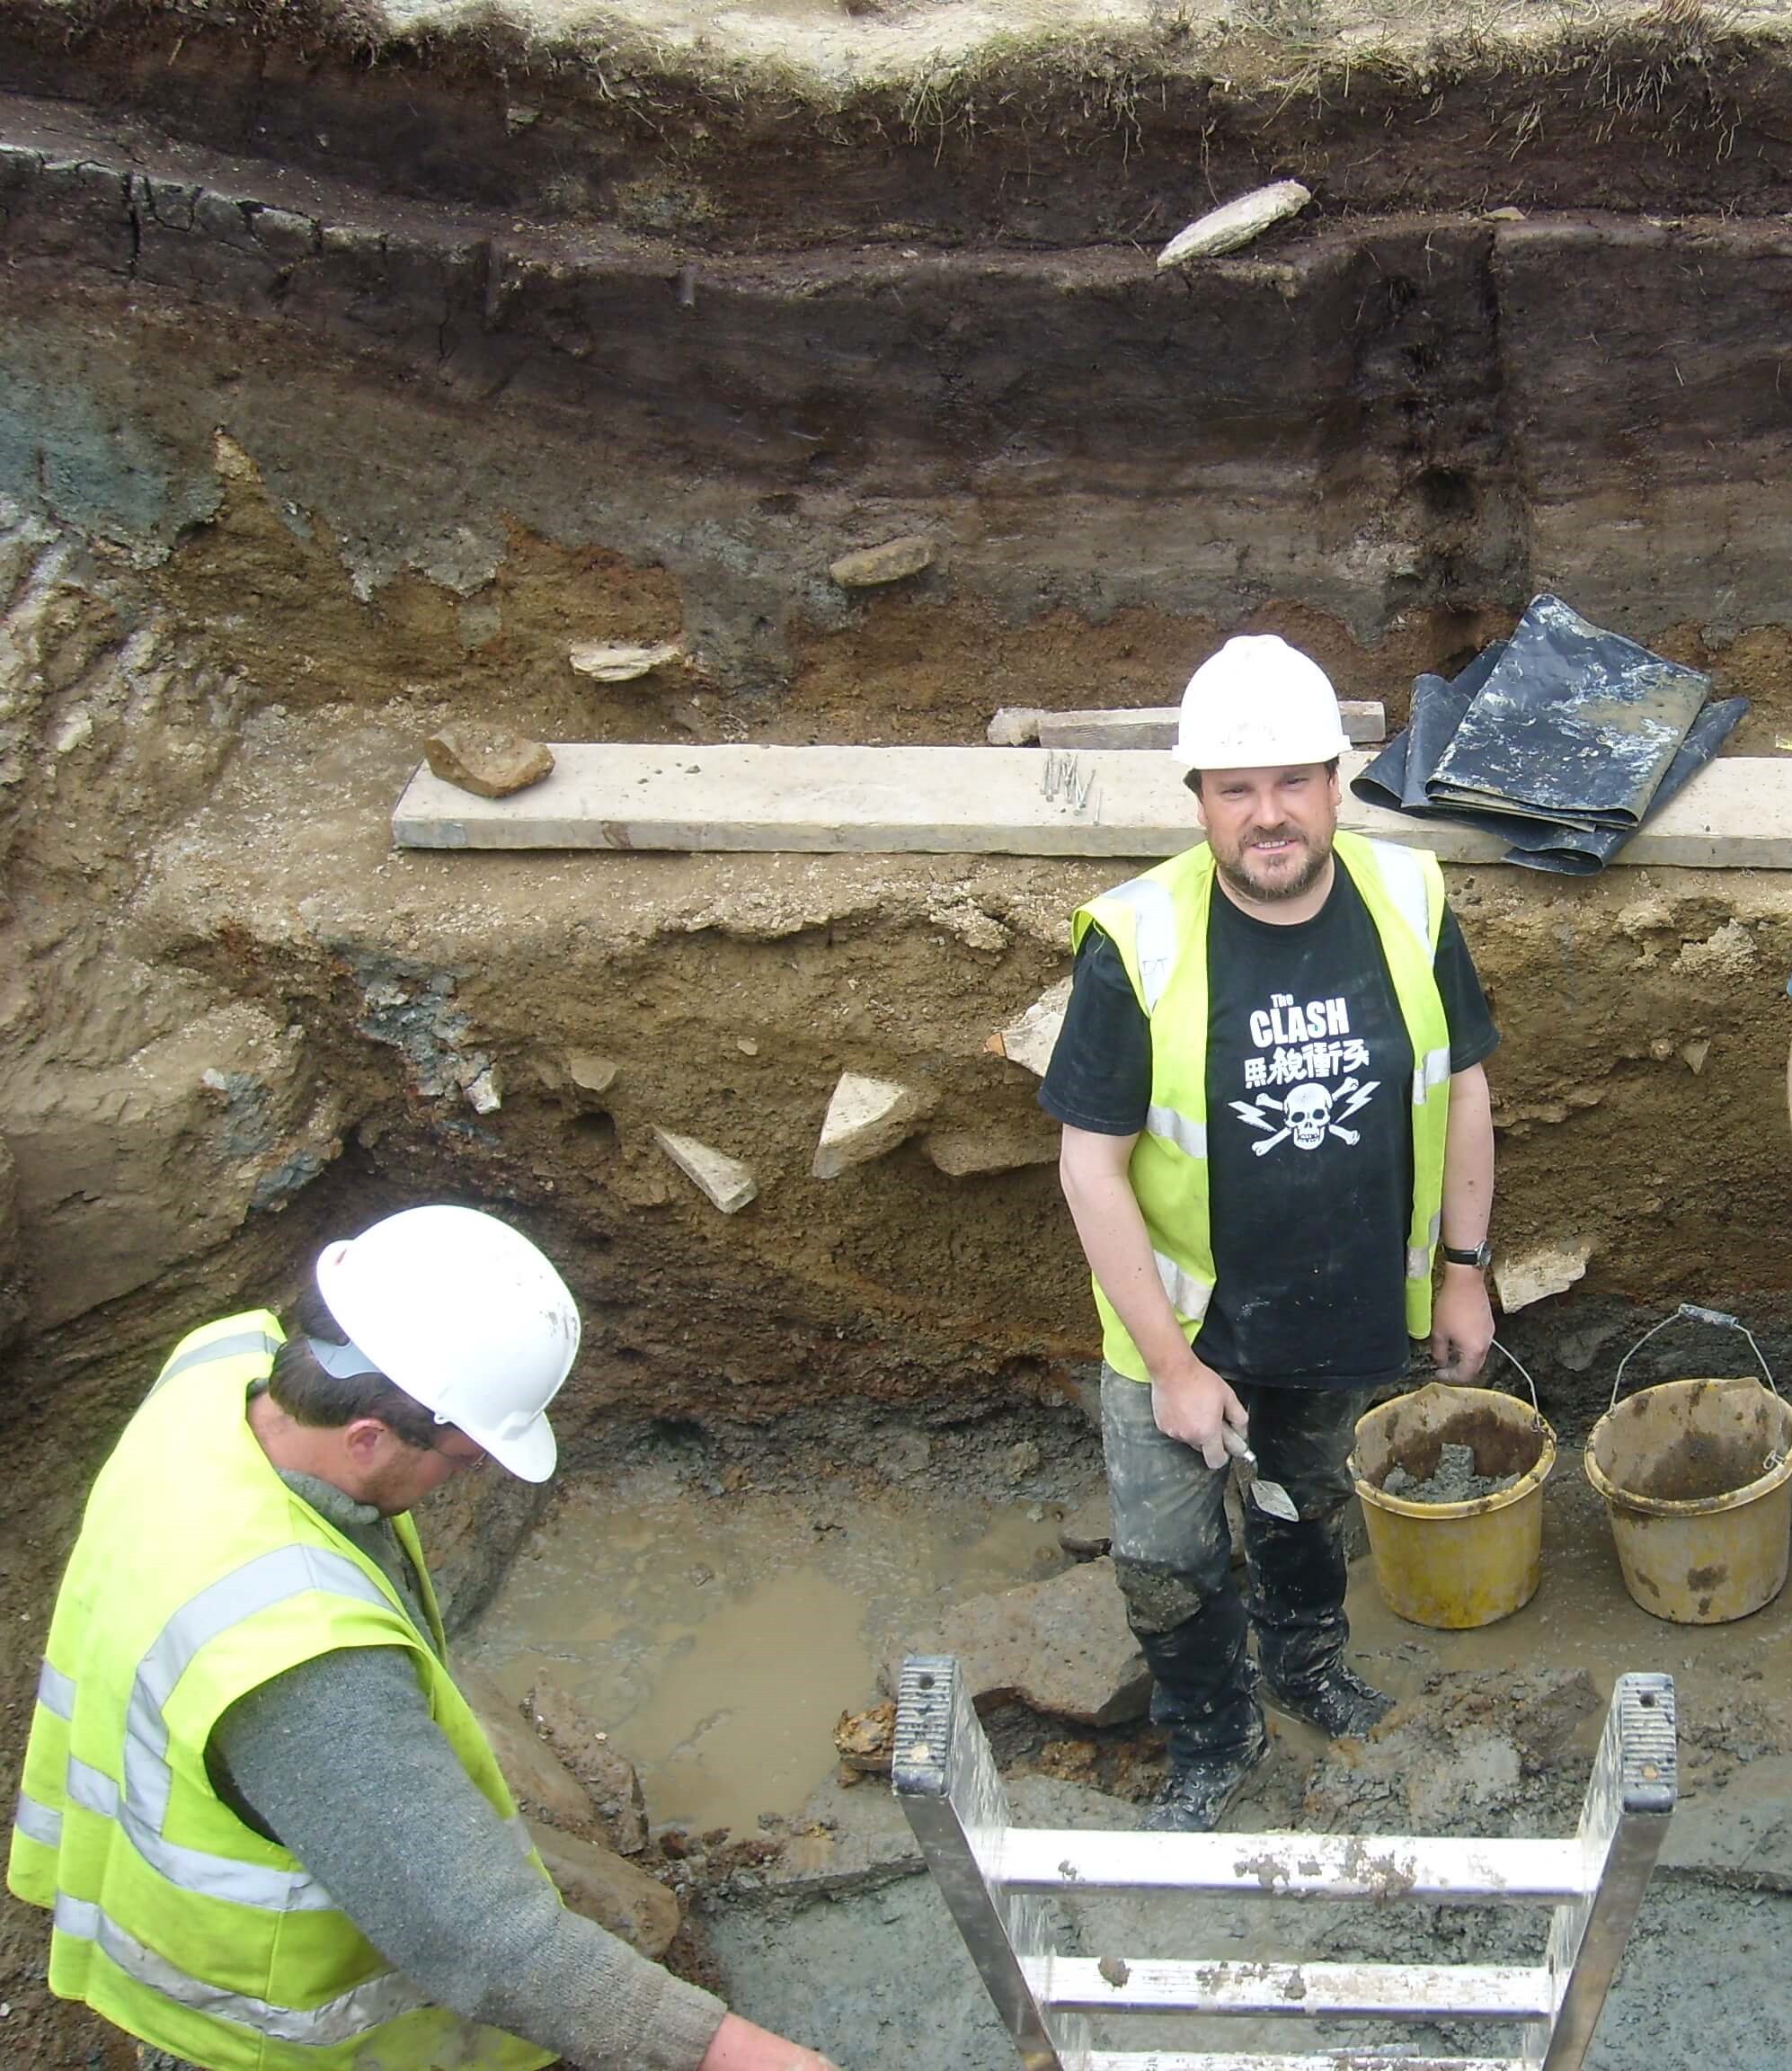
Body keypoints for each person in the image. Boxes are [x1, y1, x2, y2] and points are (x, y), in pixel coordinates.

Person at [9, 1203, 841, 2071]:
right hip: (256, 2018)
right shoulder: (308, 1665)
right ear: (368, 1438)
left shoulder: (218, 1367)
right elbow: (485, 1941)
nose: (462, 1477)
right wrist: (737, 2054)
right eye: (462, 1457)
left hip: (143, 1840)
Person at [1040, 636, 1499, 1834]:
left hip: (1338, 1304)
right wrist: (1172, 1367)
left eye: (1292, 781)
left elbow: (1461, 1088)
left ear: (1333, 784)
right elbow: (1089, 1167)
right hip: (1182, 1327)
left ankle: (1303, 1669)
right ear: (1198, 799)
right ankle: (1212, 1735)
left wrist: (1461, 1274)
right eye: (1235, 789)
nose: (1268, 815)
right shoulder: (1136, 942)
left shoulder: (1408, 900)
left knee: (1303, 1509)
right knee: (1165, 1559)